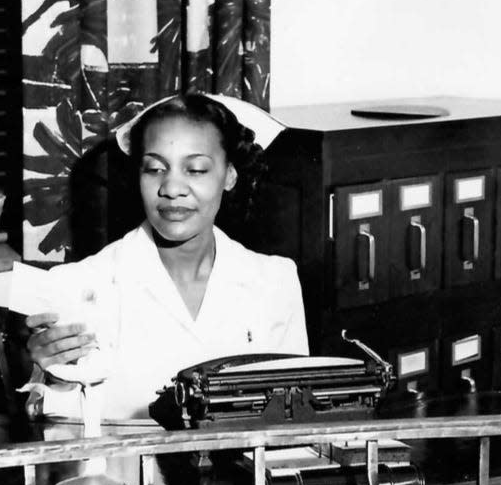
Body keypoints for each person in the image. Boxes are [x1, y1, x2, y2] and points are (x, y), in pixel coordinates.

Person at [22, 94, 309, 421]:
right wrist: (52, 376)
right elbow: (59, 431)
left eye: (196, 169)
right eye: (155, 168)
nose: (172, 187)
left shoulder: (275, 282)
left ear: (230, 175)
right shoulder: (79, 286)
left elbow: (296, 421)